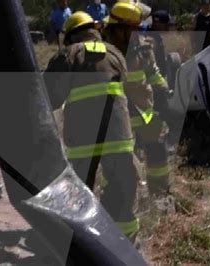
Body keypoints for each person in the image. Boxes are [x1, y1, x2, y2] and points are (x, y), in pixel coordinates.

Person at [44, 11, 142, 242]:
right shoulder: (116, 54)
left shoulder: (69, 55)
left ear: (71, 36)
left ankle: (81, 246)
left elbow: (49, 98)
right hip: (119, 138)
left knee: (78, 196)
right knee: (123, 190)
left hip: (83, 143)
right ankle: (125, 246)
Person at [102, 2, 171, 199]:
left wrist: (163, 96)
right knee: (122, 163)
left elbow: (154, 74)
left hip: (145, 112)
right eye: (134, 28)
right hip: (117, 118)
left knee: (158, 153)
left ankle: (160, 196)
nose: (138, 32)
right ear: (121, 28)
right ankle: (124, 201)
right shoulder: (103, 49)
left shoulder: (143, 46)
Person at [145, 10, 170, 77]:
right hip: (153, 77)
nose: (167, 27)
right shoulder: (150, 38)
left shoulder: (154, 34)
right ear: (158, 24)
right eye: (166, 24)